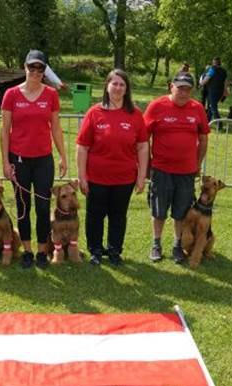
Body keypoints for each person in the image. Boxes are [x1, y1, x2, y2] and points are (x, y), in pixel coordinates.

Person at [0, 50, 67, 269]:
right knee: (22, 206)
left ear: (45, 70)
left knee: (42, 206)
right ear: (25, 67)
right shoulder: (11, 94)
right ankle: (27, 250)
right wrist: (4, 162)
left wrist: (63, 156)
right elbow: (4, 130)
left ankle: (41, 250)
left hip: (43, 161)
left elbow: (56, 128)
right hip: (18, 159)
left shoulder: (51, 95)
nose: (36, 72)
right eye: (32, 68)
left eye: (40, 68)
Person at [76, 69, 149, 266]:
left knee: (118, 215)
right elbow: (82, 147)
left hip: (124, 178)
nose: (117, 87)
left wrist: (141, 176)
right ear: (107, 87)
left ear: (127, 89)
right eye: (114, 83)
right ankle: (96, 250)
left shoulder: (135, 115)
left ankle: (115, 250)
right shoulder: (94, 113)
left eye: (122, 84)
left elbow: (142, 147)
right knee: (95, 215)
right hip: (96, 177)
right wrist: (82, 176)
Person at [144, 72, 210, 264]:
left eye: (187, 89)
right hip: (161, 169)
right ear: (170, 87)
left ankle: (177, 245)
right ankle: (156, 244)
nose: (183, 92)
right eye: (180, 87)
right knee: (159, 209)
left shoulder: (197, 108)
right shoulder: (156, 106)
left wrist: (197, 165)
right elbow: (143, 138)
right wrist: (148, 163)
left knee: (181, 210)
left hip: (186, 172)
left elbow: (204, 138)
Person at [200, 57, 227, 122]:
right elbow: (226, 82)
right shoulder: (224, 71)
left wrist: (201, 83)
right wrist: (225, 91)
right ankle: (207, 121)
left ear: (214, 62)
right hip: (220, 91)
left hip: (212, 91)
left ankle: (219, 124)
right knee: (210, 106)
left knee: (213, 107)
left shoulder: (212, 69)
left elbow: (207, 78)